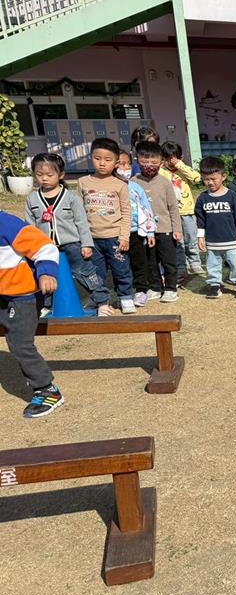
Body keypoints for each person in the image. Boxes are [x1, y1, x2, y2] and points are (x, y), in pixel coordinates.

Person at [24, 153, 114, 317]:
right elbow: (29, 225)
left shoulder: (71, 198)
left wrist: (86, 244)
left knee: (86, 273)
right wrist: (32, 247)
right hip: (45, 247)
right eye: (39, 174)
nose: (44, 178)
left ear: (61, 175)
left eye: (49, 175)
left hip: (72, 244)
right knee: (45, 274)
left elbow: (82, 222)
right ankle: (47, 306)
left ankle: (102, 302)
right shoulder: (32, 199)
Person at [0, 210, 65, 417]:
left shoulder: (6, 224)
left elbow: (45, 246)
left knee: (20, 343)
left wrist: (46, 272)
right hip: (3, 293)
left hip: (22, 296)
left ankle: (47, 389)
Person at [78, 137, 135, 313]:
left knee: (121, 269)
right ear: (91, 157)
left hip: (115, 238)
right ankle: (101, 300)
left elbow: (126, 212)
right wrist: (82, 239)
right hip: (92, 238)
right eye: (97, 158)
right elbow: (78, 213)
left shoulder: (120, 185)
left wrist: (124, 237)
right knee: (96, 273)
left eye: (108, 160)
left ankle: (126, 297)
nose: (102, 163)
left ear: (116, 163)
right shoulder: (83, 182)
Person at [132, 141, 183, 303]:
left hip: (165, 229)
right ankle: (155, 287)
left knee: (168, 261)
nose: (149, 166)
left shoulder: (165, 182)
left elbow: (173, 207)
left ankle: (171, 288)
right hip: (144, 231)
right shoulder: (133, 182)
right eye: (144, 161)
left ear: (161, 162)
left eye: (153, 162)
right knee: (150, 261)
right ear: (137, 160)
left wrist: (177, 229)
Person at [195, 157, 236, 299]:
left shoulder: (232, 196)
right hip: (212, 242)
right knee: (212, 265)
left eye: (214, 179)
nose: (210, 182)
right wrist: (200, 237)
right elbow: (200, 219)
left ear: (223, 176)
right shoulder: (202, 198)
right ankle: (214, 285)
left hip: (232, 241)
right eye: (206, 179)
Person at [161, 141, 203, 278]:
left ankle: (194, 262)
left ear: (180, 157)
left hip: (187, 212)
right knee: (178, 241)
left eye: (174, 158)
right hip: (171, 213)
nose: (171, 162)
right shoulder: (161, 172)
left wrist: (180, 164)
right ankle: (181, 265)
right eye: (167, 158)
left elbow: (197, 179)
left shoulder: (183, 170)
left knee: (191, 238)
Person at [125, 170, 158, 308]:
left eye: (126, 164)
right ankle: (124, 293)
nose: (123, 168)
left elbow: (146, 208)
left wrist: (150, 232)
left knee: (140, 262)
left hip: (136, 231)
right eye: (120, 164)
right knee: (121, 264)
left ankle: (141, 290)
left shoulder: (135, 187)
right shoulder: (109, 186)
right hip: (115, 232)